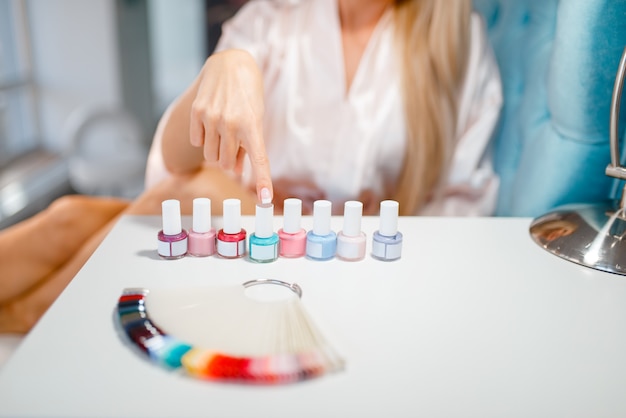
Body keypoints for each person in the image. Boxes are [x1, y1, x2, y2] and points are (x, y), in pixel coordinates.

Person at [0, 0, 501, 334]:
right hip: (240, 233)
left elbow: (457, 211)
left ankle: (30, 316)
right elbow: (175, 163)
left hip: (348, 257)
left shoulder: (458, 39)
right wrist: (218, 71)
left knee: (201, 191)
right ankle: (28, 316)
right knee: (69, 216)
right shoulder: (273, 17)